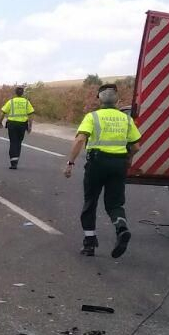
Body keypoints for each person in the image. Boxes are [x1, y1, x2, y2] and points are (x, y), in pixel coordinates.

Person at [64, 82, 140, 258]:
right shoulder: (126, 119)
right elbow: (136, 146)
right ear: (118, 101)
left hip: (97, 164)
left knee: (90, 202)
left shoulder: (92, 117)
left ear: (99, 100)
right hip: (118, 164)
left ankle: (89, 244)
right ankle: (121, 228)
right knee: (114, 204)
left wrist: (70, 163)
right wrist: (128, 160)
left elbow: (79, 140)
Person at [0, 86, 34, 168]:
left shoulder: (11, 102)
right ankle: (16, 160)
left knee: (13, 142)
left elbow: (3, 113)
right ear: (23, 93)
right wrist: (30, 126)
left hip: (12, 124)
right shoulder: (26, 102)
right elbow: (31, 115)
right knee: (18, 143)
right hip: (22, 125)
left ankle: (13, 162)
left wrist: (0, 122)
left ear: (15, 92)